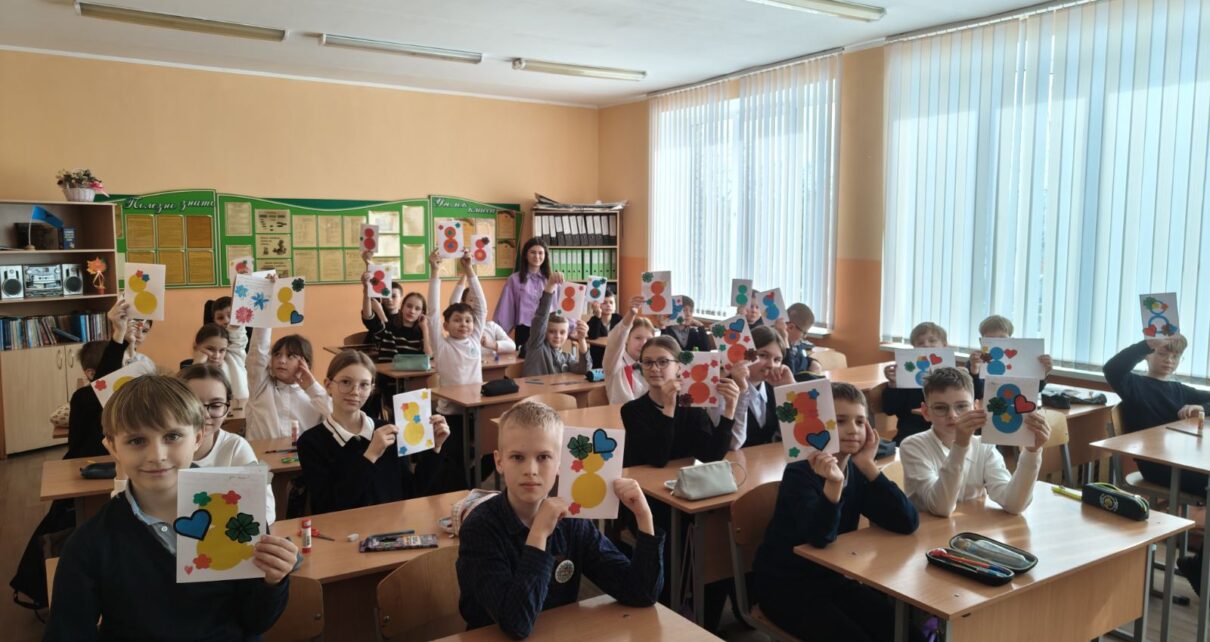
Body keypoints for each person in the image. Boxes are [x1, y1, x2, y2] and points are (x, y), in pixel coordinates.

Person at [44, 376, 298, 640]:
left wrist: (273, 581)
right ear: (112, 447)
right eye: (137, 441)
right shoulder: (90, 545)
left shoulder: (237, 513)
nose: (157, 455)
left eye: (172, 436)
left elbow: (255, 620)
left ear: (198, 437)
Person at [456, 401, 663, 638]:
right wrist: (539, 535)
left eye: (543, 457)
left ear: (560, 463)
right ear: (499, 462)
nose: (531, 469)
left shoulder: (572, 521)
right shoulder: (480, 529)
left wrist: (644, 516)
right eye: (517, 457)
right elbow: (516, 624)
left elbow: (641, 593)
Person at [753, 382, 919, 642]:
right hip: (786, 585)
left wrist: (869, 466)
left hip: (832, 578)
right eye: (841, 421)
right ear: (819, 425)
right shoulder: (799, 472)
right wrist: (834, 484)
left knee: (908, 634)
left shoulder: (858, 469)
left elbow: (906, 521)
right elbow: (819, 537)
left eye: (860, 421)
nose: (853, 430)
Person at [1104, 333, 1210, 593]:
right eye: (1162, 353)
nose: (1169, 360)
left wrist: (1201, 407)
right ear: (1148, 356)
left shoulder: (1180, 390)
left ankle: (1200, 565)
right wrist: (1145, 344)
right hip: (1158, 466)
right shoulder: (1134, 385)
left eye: (1175, 356)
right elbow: (1112, 368)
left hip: (1182, 462)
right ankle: (1200, 567)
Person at [297, 350, 450, 513]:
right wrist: (371, 455)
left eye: (364, 385)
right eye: (346, 382)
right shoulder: (311, 442)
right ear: (328, 385)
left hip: (392, 526)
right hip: (344, 528)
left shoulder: (389, 431)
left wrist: (435, 449)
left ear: (372, 388)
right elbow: (329, 505)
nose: (355, 391)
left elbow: (410, 491)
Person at [900, 367, 1049, 516]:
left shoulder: (984, 447)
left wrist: (1032, 452)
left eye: (961, 406)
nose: (952, 415)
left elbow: (1014, 504)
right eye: (940, 408)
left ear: (975, 407)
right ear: (926, 412)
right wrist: (960, 445)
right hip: (927, 529)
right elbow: (941, 508)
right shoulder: (913, 446)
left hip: (971, 527)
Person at [177, 363, 276, 521]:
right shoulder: (163, 449)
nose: (205, 415)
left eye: (216, 405)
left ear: (227, 409)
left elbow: (266, 510)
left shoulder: (236, 447)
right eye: (194, 405)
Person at [882, 321, 948, 444]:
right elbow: (889, 409)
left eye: (932, 341)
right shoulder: (906, 374)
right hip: (911, 434)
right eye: (920, 343)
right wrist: (893, 385)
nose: (926, 345)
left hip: (946, 433)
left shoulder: (952, 375)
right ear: (914, 347)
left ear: (944, 345)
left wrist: (973, 372)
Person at [521, 272, 591, 376]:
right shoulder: (537, 345)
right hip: (535, 387)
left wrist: (582, 339)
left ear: (567, 334)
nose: (557, 336)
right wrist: (550, 285)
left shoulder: (567, 357)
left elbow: (584, 369)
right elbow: (541, 317)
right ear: (544, 332)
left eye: (562, 332)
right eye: (552, 331)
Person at [493, 238, 550, 354]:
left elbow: (559, 307)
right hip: (524, 330)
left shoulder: (551, 280)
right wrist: (497, 333)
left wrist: (571, 328)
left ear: (545, 256)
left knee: (548, 362)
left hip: (548, 329)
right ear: (525, 255)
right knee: (525, 361)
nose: (537, 256)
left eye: (540, 253)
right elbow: (506, 307)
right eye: (533, 252)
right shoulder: (514, 280)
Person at [602, 295, 657, 404]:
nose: (643, 343)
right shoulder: (614, 363)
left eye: (648, 339)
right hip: (619, 414)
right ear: (626, 339)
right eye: (638, 338)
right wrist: (631, 313)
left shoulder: (652, 366)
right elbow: (616, 338)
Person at [587, 289, 621, 367]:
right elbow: (593, 337)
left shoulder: (618, 319)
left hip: (615, 360)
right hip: (599, 361)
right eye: (604, 303)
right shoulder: (593, 320)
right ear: (598, 305)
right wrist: (598, 316)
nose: (608, 305)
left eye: (611, 302)